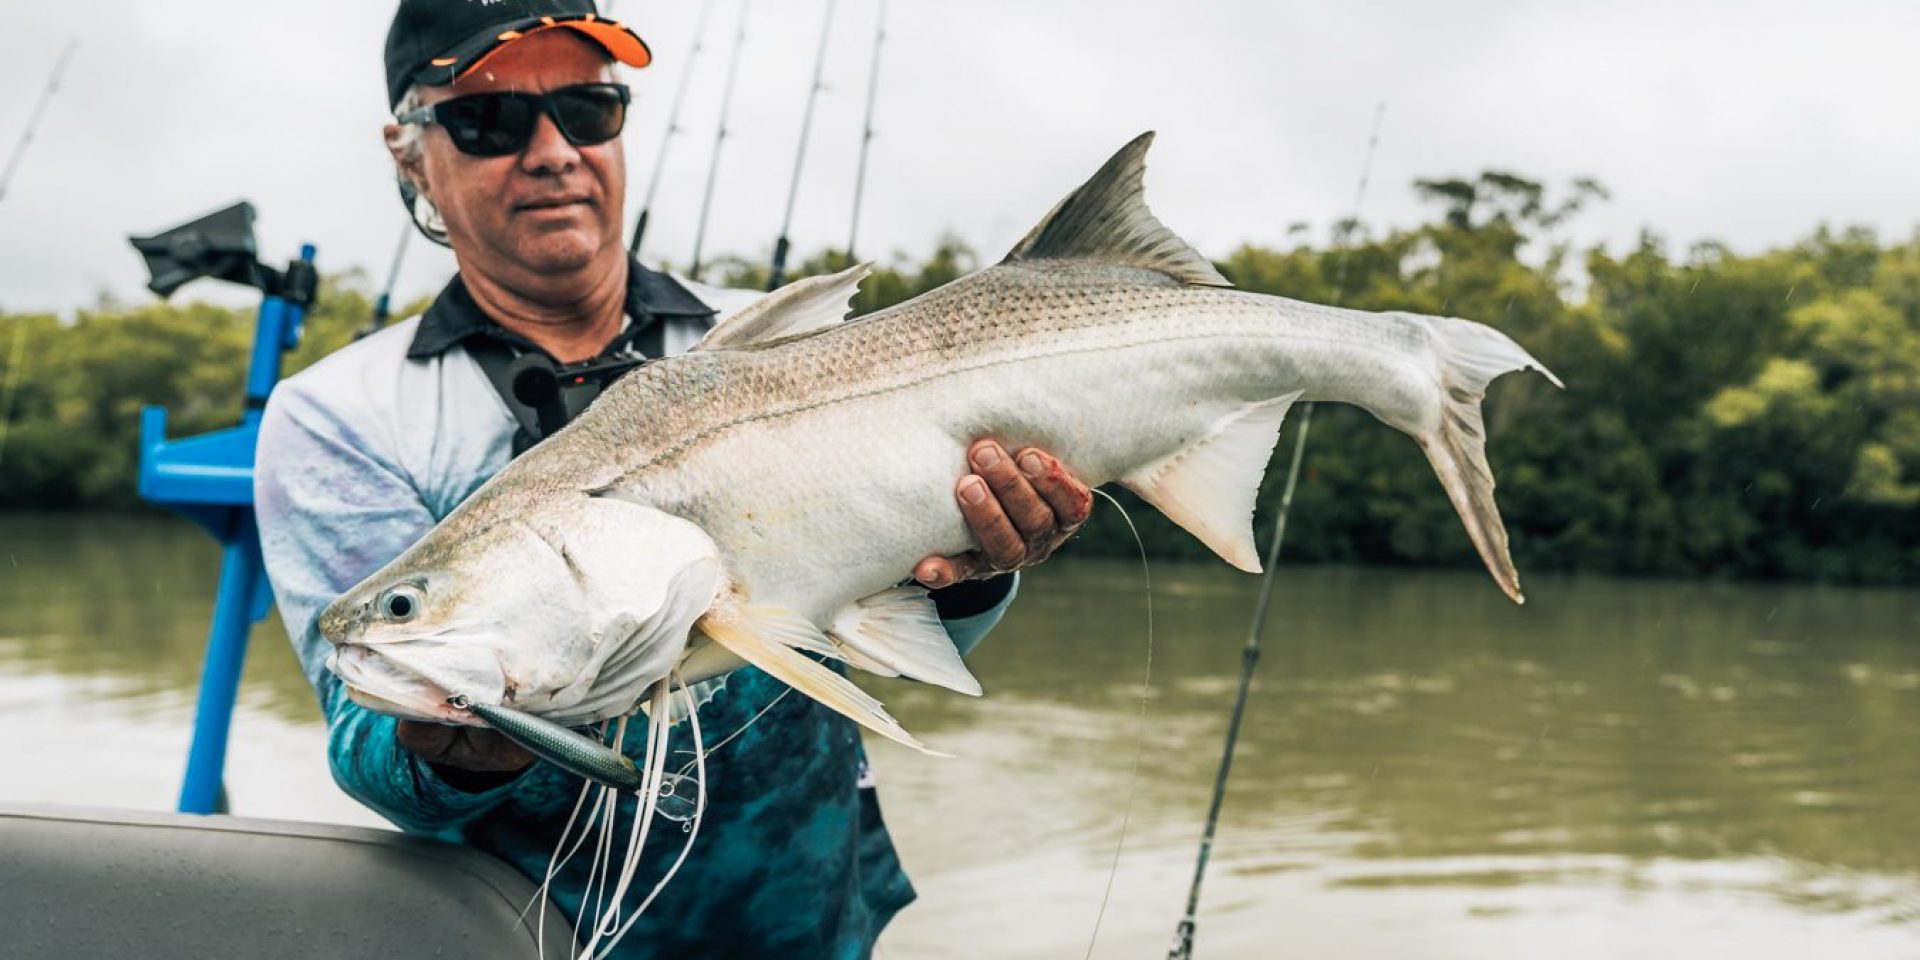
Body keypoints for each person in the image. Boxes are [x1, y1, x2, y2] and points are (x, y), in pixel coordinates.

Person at [253, 1, 1092, 956]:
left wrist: (978, 567)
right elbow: (366, 744)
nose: (552, 151)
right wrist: (454, 744)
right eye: (488, 120)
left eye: (587, 109)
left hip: (809, 918)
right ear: (410, 155)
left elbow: (884, 623)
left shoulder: (783, 338)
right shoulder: (343, 411)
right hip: (516, 936)